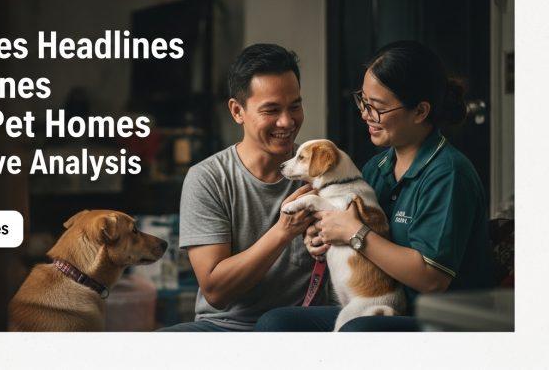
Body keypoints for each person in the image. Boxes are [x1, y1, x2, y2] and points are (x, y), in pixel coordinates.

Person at [255, 40, 495, 332]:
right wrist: (324, 238)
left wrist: (354, 233)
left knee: (359, 332)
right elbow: (355, 239)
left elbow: (431, 279)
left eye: (377, 107)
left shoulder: (449, 174)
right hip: (378, 306)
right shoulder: (375, 168)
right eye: (363, 101)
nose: (365, 114)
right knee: (275, 323)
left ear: (419, 112)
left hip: (442, 318)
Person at [158, 44, 326, 331]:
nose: (287, 121)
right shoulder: (208, 178)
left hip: (297, 324)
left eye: (295, 106)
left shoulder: (320, 171)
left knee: (278, 325)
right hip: (223, 326)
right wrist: (284, 231)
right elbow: (216, 291)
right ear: (237, 111)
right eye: (271, 110)